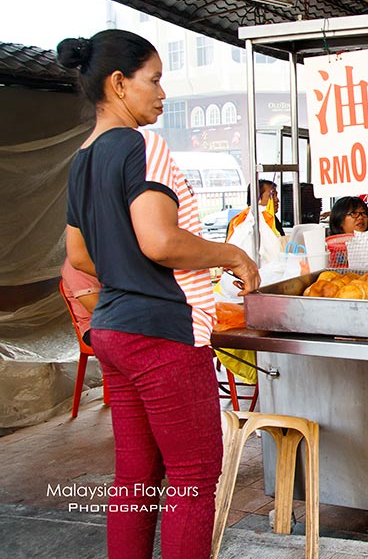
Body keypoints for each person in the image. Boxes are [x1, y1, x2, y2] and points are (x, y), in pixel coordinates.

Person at [58, 29, 260, 559]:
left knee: (135, 478)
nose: (163, 93)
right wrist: (232, 256)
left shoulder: (82, 158)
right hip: (162, 334)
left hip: (115, 334)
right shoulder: (144, 145)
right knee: (193, 476)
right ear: (120, 84)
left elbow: (79, 255)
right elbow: (161, 241)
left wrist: (126, 268)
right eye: (155, 80)